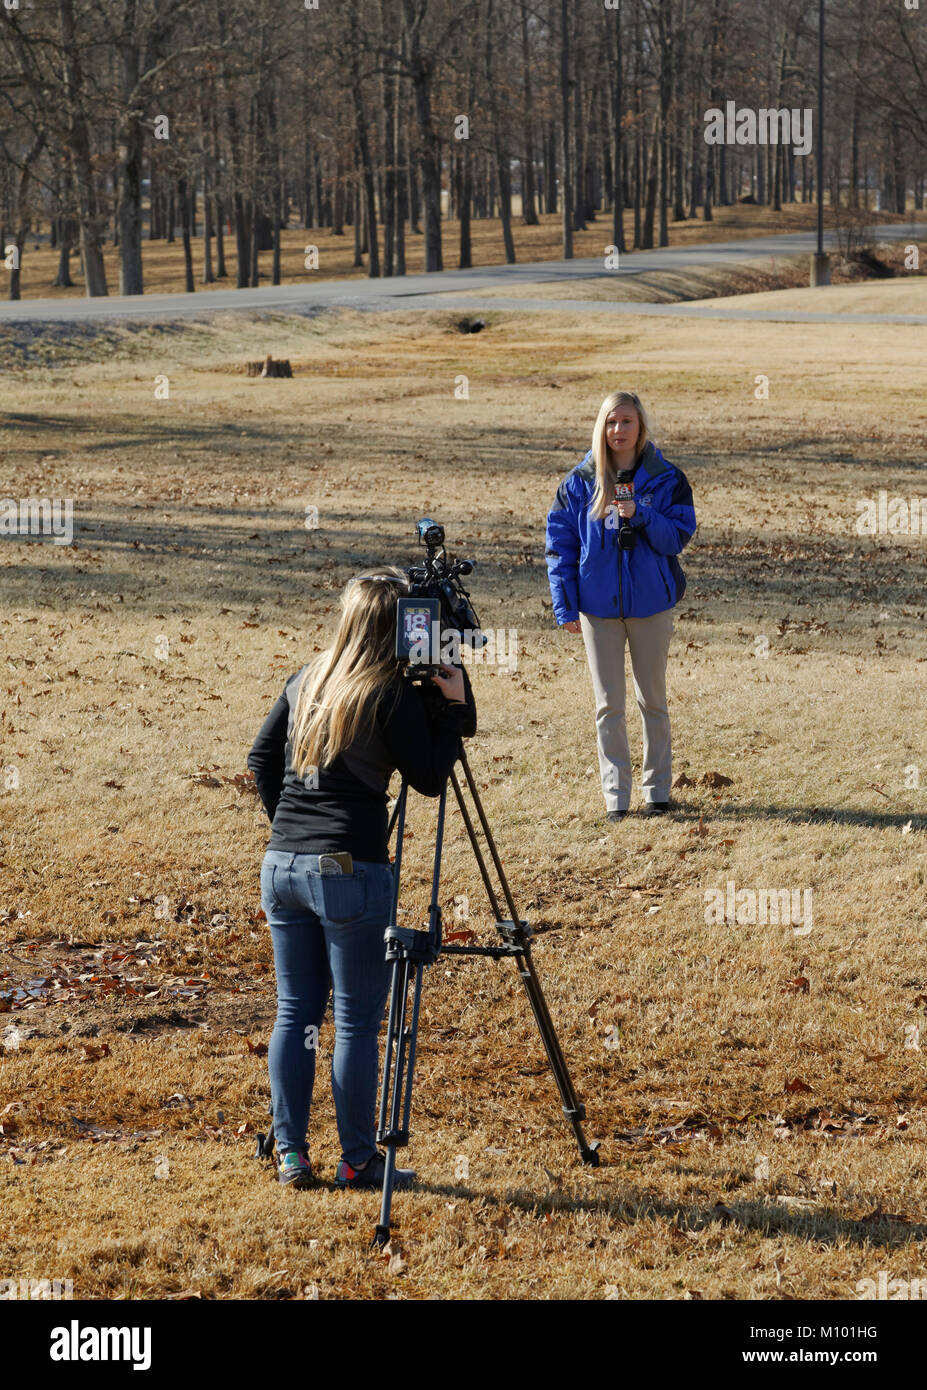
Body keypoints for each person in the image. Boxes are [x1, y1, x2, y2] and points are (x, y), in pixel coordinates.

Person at [247, 566, 477, 1188]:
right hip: (348, 869)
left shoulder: (308, 676)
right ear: (397, 628)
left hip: (282, 865)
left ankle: (291, 1153)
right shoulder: (388, 693)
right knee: (352, 1023)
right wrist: (453, 708)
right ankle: (357, 1159)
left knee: (295, 1013)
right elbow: (430, 778)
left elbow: (260, 760)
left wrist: (291, 828)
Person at [544, 390, 696, 821]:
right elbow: (560, 547)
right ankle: (616, 798)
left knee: (653, 700)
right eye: (611, 422)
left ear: (640, 426)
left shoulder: (666, 478)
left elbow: (678, 537)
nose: (618, 431)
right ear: (601, 427)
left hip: (651, 606)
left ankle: (658, 792)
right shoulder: (579, 482)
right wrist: (565, 605)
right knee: (608, 705)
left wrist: (642, 515)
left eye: (626, 421)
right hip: (598, 609)